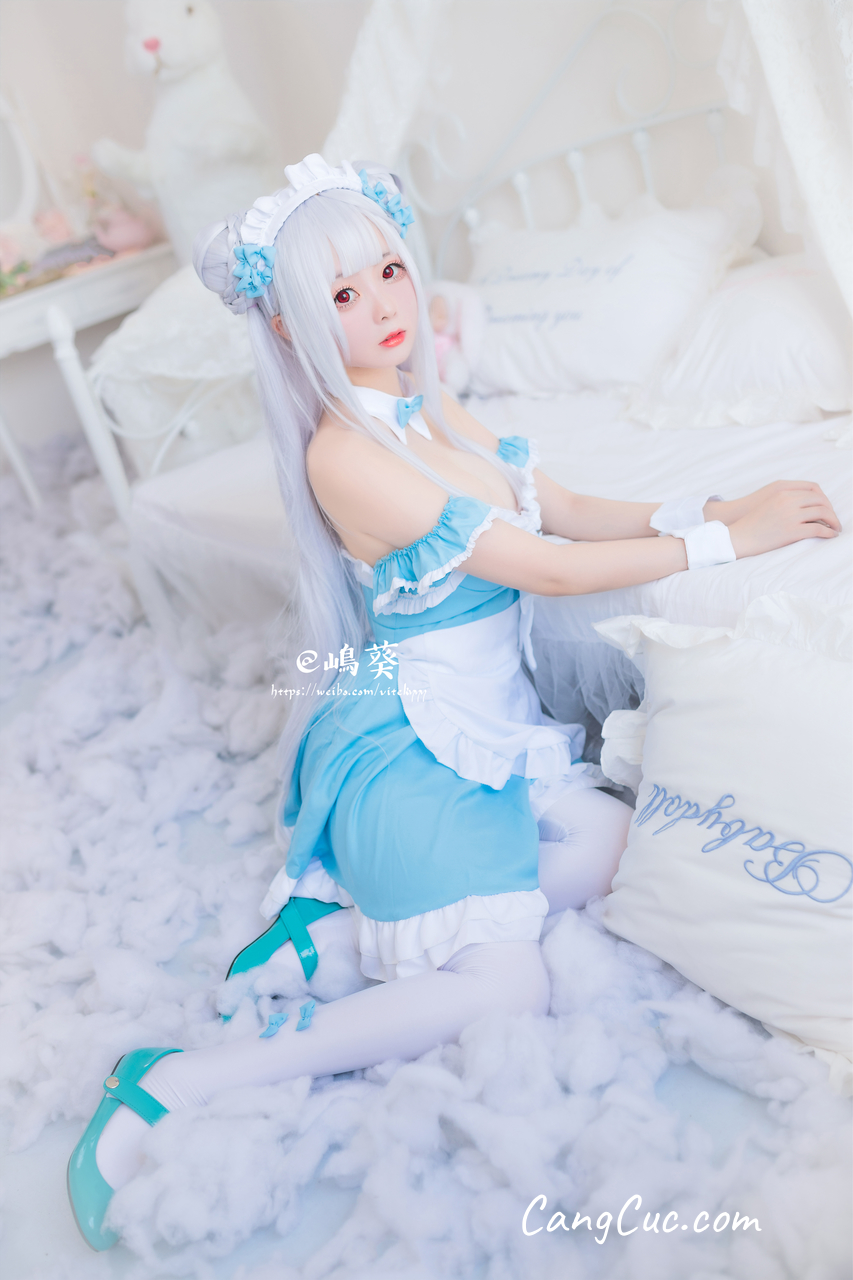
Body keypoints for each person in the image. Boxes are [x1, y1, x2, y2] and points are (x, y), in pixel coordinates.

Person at [67, 154, 841, 1250]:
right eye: (342, 294)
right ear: (290, 323)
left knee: (618, 842)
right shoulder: (345, 455)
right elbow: (550, 568)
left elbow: (564, 506)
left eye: (388, 270)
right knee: (505, 984)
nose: (384, 305)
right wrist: (724, 544)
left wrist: (714, 504)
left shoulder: (423, 402)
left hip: (491, 728)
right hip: (411, 744)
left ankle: (332, 942)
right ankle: (183, 1078)